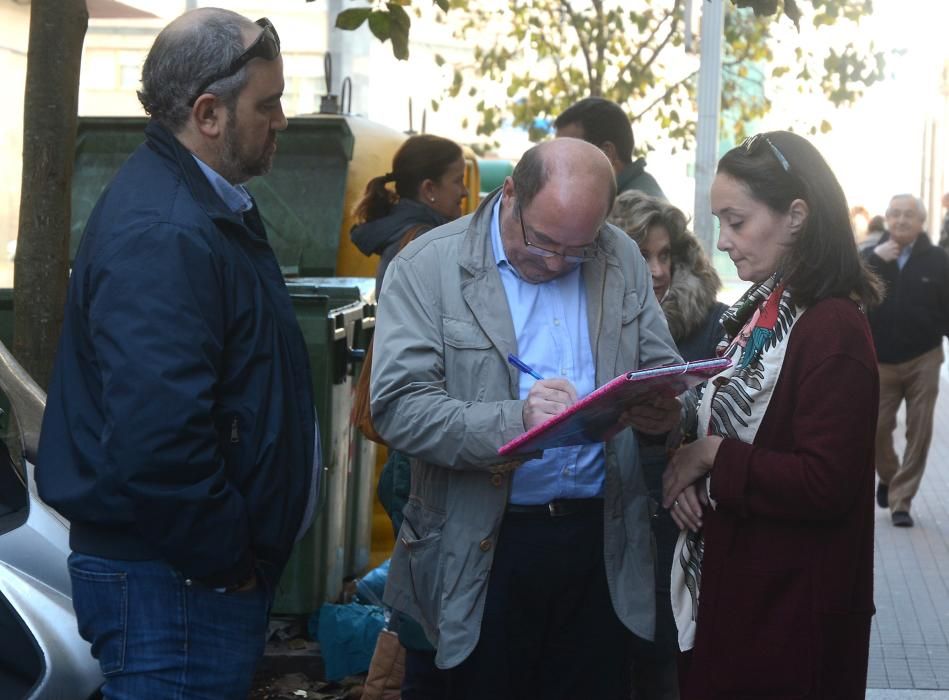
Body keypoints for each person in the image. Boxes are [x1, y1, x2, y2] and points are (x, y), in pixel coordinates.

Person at [36, 9, 319, 698]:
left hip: (183, 580)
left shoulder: (201, 206)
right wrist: (227, 561)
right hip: (175, 586)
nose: (281, 120)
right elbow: (159, 438)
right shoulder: (165, 229)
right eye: (269, 103)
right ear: (208, 113)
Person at [370, 137, 683, 700]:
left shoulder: (619, 256)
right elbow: (397, 408)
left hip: (598, 546)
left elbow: (658, 364)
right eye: (543, 242)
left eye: (578, 248)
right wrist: (517, 422)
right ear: (509, 193)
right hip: (482, 548)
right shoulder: (428, 265)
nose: (560, 262)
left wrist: (660, 410)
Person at [663, 131, 882, 698]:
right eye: (718, 224)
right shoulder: (762, 310)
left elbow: (825, 482)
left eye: (736, 221)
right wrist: (687, 469)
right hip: (742, 597)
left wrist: (710, 457)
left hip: (789, 620)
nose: (724, 241)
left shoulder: (831, 326)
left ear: (797, 216)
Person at [350, 133, 468, 699]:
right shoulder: (424, 245)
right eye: (455, 185)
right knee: (418, 612)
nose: (465, 197)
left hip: (406, 449)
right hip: (420, 450)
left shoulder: (399, 237)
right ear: (428, 189)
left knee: (413, 604)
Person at [607, 191, 726, 700]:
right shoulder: (593, 320)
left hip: (677, 526)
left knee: (665, 657)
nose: (657, 271)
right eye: (641, 256)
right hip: (607, 514)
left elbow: (729, 419)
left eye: (665, 256)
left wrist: (686, 454)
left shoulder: (714, 322)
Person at [862, 194, 949, 528]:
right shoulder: (870, 255)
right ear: (886, 218)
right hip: (880, 358)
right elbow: (849, 288)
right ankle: (889, 475)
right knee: (877, 428)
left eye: (908, 215)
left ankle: (902, 500)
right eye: (895, 214)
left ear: (921, 221)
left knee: (920, 430)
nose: (901, 220)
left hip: (924, 357)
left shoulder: (938, 259)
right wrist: (873, 258)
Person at [351, 134, 468, 296]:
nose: (465, 192)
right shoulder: (426, 244)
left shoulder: (402, 234)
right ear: (429, 189)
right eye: (458, 181)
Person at [554, 97, 665, 199]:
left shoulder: (630, 212)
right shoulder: (633, 196)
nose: (559, 167)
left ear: (606, 154)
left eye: (568, 155)